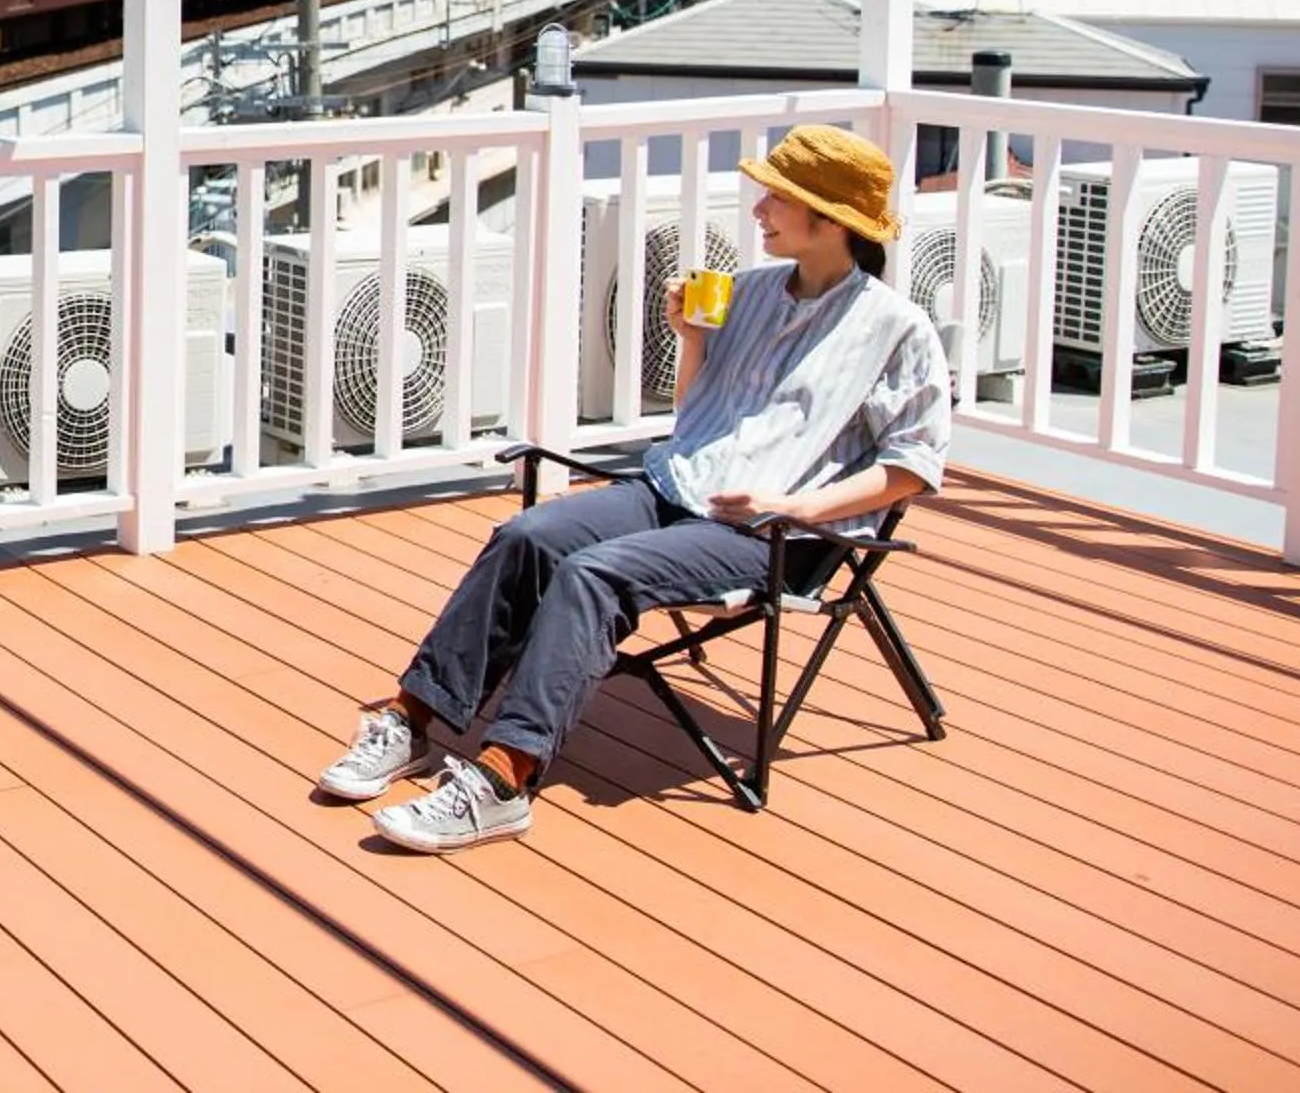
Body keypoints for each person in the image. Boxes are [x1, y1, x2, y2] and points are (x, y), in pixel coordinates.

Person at [318, 123, 951, 852]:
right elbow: (698, 417)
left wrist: (795, 507)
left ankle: (503, 777)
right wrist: (691, 338)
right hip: (678, 484)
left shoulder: (896, 329)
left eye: (775, 199)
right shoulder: (744, 293)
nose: (757, 212)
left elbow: (911, 466)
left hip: (775, 532)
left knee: (594, 576)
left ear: (830, 219)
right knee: (528, 537)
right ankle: (415, 718)